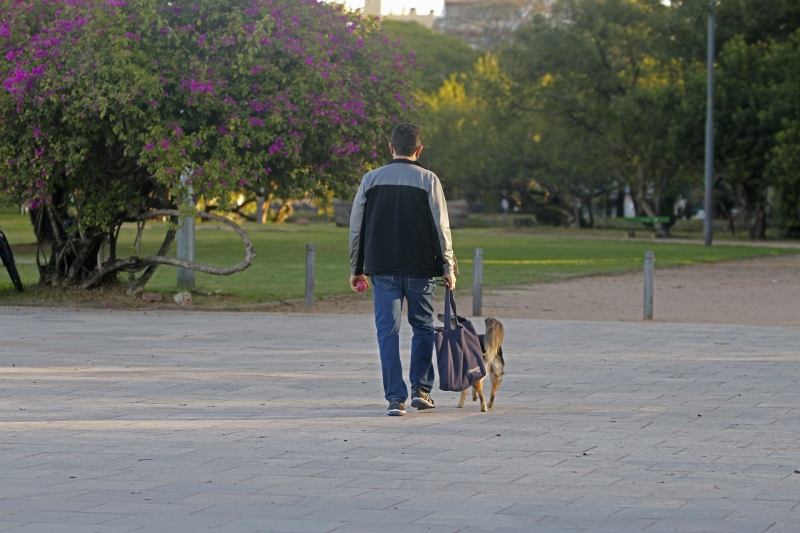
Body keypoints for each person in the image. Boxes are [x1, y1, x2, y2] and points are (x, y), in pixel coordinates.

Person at [349, 123, 458, 416]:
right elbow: (441, 226)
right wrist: (449, 265)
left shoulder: (370, 180)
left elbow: (357, 228)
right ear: (419, 150)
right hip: (421, 269)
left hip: (381, 268)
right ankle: (420, 390)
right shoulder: (429, 180)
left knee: (388, 332)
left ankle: (395, 399)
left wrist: (356, 268)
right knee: (422, 327)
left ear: (390, 147)